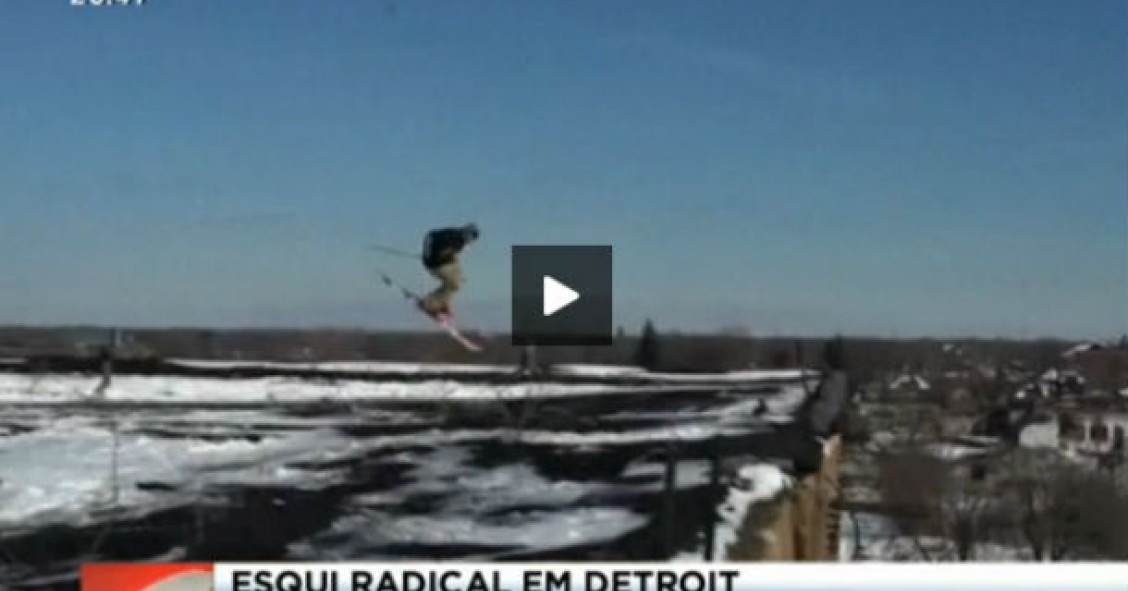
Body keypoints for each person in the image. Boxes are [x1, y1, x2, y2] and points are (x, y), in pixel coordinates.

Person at [417, 223, 479, 321]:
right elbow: (443, 252)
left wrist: (426, 253)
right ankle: (429, 303)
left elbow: (430, 235)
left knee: (461, 279)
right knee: (454, 284)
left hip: (437, 260)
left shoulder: (454, 232)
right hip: (436, 265)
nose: (470, 243)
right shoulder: (457, 242)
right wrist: (429, 256)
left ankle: (442, 302)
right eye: (470, 240)